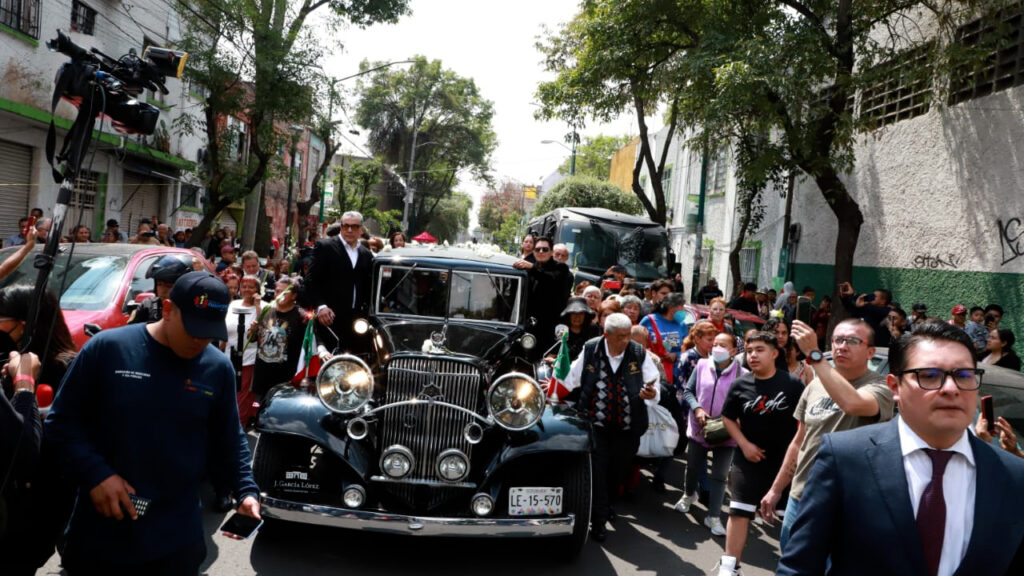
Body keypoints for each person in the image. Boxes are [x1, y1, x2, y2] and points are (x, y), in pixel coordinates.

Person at [44, 271, 261, 575]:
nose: (200, 341)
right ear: (169, 309)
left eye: (209, 332)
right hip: (101, 531)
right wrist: (96, 475)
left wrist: (246, 491)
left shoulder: (218, 367)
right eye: (193, 329)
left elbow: (229, 437)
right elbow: (59, 423)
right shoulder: (108, 348)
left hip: (175, 537)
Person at [777, 322, 1024, 576]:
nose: (951, 389)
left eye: (963, 376)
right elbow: (799, 567)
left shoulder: (1014, 475)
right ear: (895, 387)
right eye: (929, 375)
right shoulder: (845, 458)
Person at [760, 319, 895, 552]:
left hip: (847, 504)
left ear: (870, 352)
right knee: (792, 564)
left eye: (852, 341)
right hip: (800, 497)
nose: (842, 346)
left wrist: (814, 355)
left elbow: (853, 403)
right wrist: (776, 489)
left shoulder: (881, 387)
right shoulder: (814, 386)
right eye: (837, 340)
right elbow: (799, 442)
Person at [561, 313, 660, 542]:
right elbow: (571, 378)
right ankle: (598, 522)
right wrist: (555, 386)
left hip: (628, 428)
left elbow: (654, 384)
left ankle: (607, 506)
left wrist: (652, 393)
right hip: (597, 426)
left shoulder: (637, 352)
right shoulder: (591, 349)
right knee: (598, 472)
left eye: (628, 335)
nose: (626, 341)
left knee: (617, 473)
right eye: (621, 337)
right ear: (607, 335)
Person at [0, 285, 78, 575]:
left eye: (0, 318)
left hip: (47, 495)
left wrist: (23, 387)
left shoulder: (65, 366)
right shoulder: (8, 361)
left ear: (23, 323)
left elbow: (29, 446)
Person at [715, 330, 803, 576]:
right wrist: (743, 444)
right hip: (747, 460)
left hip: (785, 463)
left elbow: (804, 424)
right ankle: (729, 567)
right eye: (749, 351)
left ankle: (793, 568)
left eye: (759, 350)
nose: (753, 355)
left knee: (789, 519)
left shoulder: (793, 384)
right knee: (739, 511)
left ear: (774, 353)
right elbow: (727, 418)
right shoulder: (739, 384)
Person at [676, 331, 747, 537]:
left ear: (734, 350)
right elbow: (688, 391)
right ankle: (689, 494)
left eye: (723, 345)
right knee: (693, 467)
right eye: (715, 343)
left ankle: (714, 516)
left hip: (727, 432)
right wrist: (697, 408)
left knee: (719, 476)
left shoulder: (742, 374)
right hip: (700, 427)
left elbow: (745, 403)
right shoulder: (701, 365)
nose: (717, 348)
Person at [306, 211, 373, 355]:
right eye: (345, 226)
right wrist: (321, 307)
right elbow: (311, 280)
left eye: (354, 227)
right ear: (341, 227)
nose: (349, 230)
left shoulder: (366, 254)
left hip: (356, 322)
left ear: (361, 229)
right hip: (329, 318)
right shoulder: (325, 247)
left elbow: (368, 286)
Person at [513, 236, 572, 357]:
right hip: (529, 325)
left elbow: (551, 279)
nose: (541, 252)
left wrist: (532, 268)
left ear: (551, 252)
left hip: (550, 327)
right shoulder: (529, 268)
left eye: (545, 249)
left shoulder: (561, 268)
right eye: (537, 249)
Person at [252, 276, 308, 401]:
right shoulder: (267, 310)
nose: (279, 294)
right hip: (263, 376)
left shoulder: (301, 316)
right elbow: (253, 339)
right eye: (277, 291)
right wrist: (253, 330)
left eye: (284, 292)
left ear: (294, 296)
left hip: (285, 379)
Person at [223, 275, 265, 429]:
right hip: (229, 356)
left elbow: (265, 331)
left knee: (242, 396)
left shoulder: (265, 307)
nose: (247, 290)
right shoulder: (233, 304)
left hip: (249, 359)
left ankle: (237, 427)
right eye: (244, 286)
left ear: (257, 290)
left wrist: (259, 307)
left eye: (251, 287)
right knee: (228, 392)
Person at [128, 254, 193, 325]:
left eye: (169, 286)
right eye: (159, 284)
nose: (162, 290)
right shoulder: (148, 305)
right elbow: (131, 331)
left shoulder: (192, 309)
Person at [555, 297, 601, 361]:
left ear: (586, 315)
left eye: (581, 313)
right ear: (568, 315)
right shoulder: (562, 329)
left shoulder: (593, 329)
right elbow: (555, 351)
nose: (577, 317)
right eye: (573, 313)